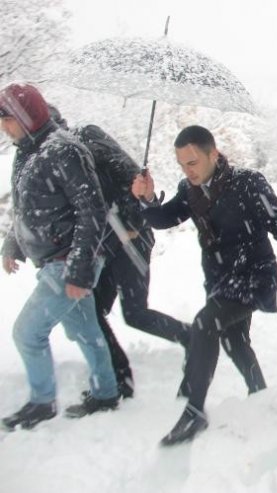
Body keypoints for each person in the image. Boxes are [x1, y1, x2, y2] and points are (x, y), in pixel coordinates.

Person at [131, 125, 277, 446]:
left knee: (205, 324)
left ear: (213, 154)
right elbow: (165, 219)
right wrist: (146, 200)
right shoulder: (190, 189)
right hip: (220, 279)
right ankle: (260, 394)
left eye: (193, 162)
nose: (188, 171)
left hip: (254, 276)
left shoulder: (248, 183)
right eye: (182, 164)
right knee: (234, 339)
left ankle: (194, 412)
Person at [0, 83, 120, 430]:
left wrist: (79, 271)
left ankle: (42, 402)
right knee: (85, 331)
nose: (3, 127)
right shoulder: (27, 151)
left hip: (66, 262)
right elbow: (26, 208)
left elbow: (91, 211)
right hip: (54, 261)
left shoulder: (65, 150)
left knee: (27, 333)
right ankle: (106, 392)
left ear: (25, 116)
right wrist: (13, 244)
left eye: (7, 119)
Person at [49, 106, 190, 399]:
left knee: (135, 313)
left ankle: (193, 336)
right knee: (92, 312)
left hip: (131, 240)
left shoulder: (90, 142)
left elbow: (135, 184)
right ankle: (118, 379)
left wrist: (137, 208)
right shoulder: (60, 159)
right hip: (108, 244)